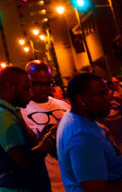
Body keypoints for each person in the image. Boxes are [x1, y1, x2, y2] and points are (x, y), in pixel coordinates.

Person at [57, 73, 122, 192]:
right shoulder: (82, 136)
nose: (108, 99)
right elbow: (96, 189)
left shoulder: (81, 121)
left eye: (107, 93)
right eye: (101, 94)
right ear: (81, 99)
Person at [0, 66, 51, 192]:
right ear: (9, 87)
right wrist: (48, 142)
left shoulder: (9, 112)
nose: (30, 94)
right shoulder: (0, 115)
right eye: (26, 89)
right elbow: (24, 161)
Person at [20, 61, 70, 192]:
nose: (42, 88)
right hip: (43, 184)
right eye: (37, 84)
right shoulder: (20, 111)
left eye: (47, 83)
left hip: (72, 182)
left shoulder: (64, 107)